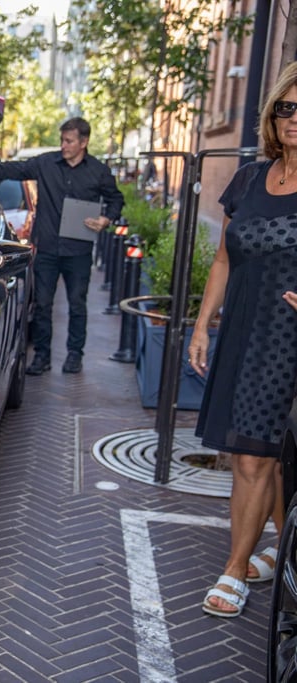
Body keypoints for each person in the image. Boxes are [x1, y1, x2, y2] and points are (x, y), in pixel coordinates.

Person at [190, 62, 297, 619]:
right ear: (271, 116)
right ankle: (285, 549)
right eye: (286, 107)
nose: (293, 118)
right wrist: (204, 324)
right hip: (242, 330)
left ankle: (235, 569)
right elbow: (225, 256)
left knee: (257, 459)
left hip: (288, 339)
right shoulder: (253, 178)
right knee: (261, 455)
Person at [0, 117, 123, 375]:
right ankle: (42, 357)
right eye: (62, 140)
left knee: (77, 304)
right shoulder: (46, 163)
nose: (64, 145)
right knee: (43, 305)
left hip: (78, 252)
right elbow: (15, 169)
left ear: (84, 142)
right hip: (46, 249)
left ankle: (74, 356)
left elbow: (116, 199)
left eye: (69, 141)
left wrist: (105, 219)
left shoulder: (98, 171)